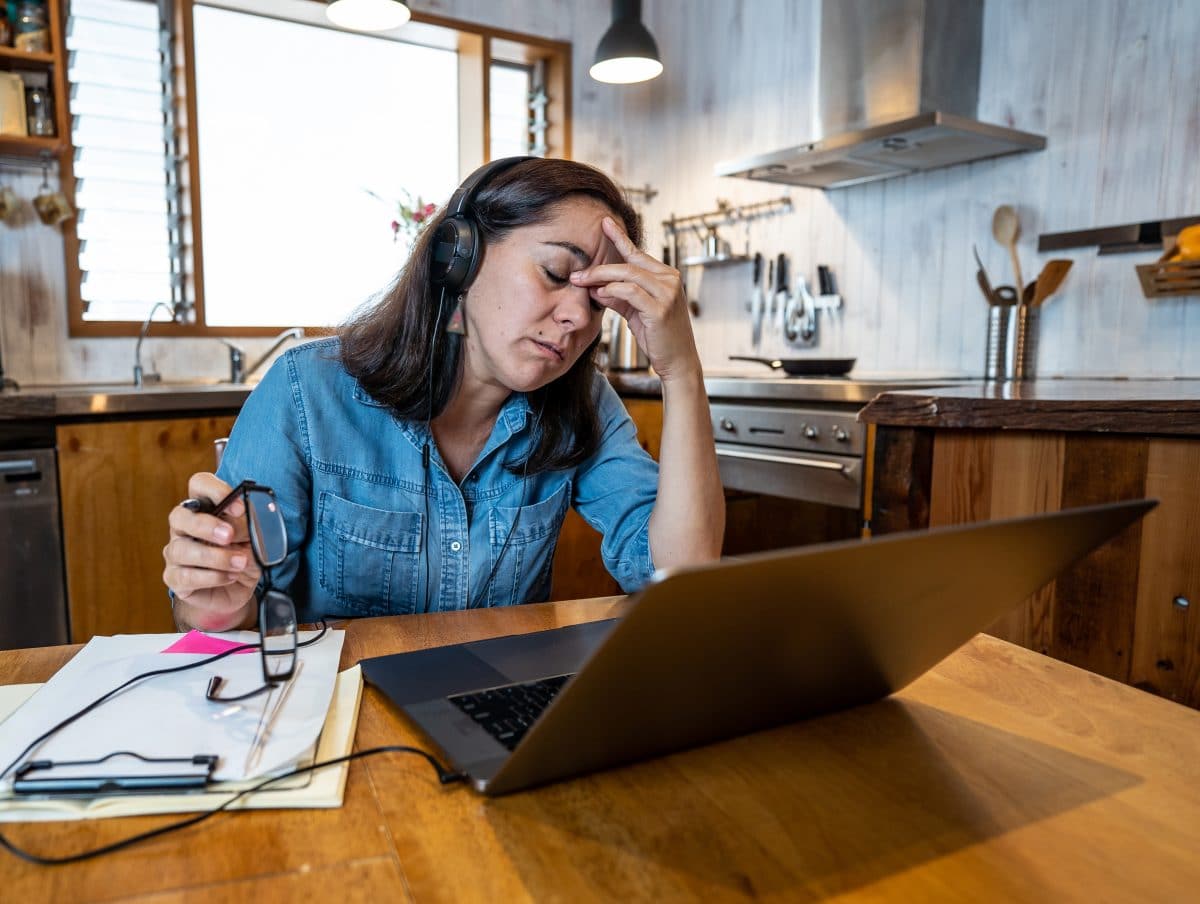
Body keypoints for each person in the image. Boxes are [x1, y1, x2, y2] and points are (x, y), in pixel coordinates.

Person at [162, 157, 725, 631]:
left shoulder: (585, 405)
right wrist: (212, 602)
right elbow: (235, 617)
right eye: (556, 273)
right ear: (459, 260)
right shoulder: (306, 393)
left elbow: (681, 575)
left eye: (599, 302)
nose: (578, 315)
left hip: (496, 718)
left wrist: (681, 370)